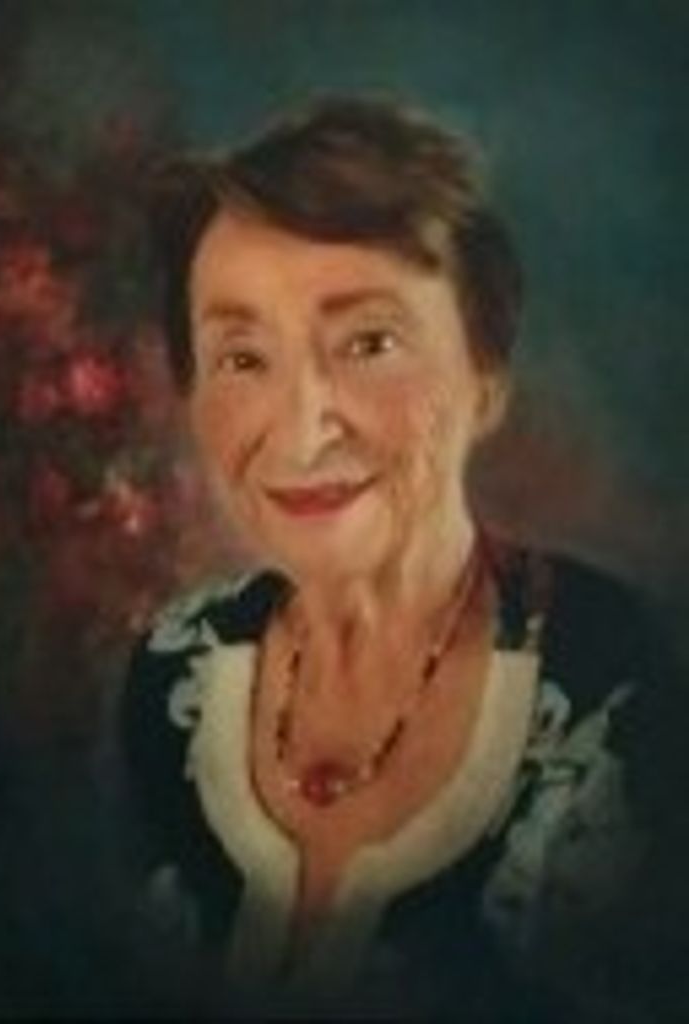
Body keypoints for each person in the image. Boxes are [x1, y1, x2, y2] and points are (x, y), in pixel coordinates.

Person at [110, 95, 674, 1018]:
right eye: (242, 358)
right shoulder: (172, 671)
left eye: (368, 343)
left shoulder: (624, 674)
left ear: (485, 377)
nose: (301, 431)